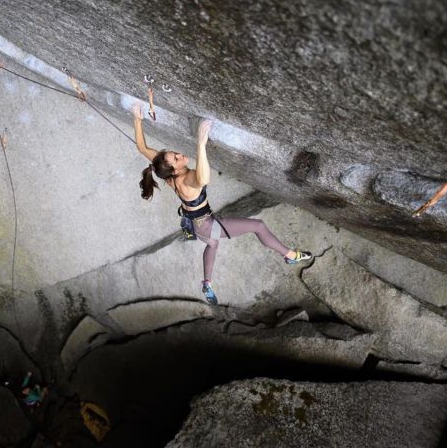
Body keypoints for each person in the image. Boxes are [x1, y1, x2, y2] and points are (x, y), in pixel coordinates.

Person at [133, 104, 313, 305]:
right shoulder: (187, 181)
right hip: (206, 225)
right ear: (173, 169)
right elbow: (203, 178)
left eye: (174, 153)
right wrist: (201, 143)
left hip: (196, 223)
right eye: (176, 158)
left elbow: (141, 147)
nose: (179, 154)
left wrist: (137, 119)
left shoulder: (166, 173)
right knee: (257, 226)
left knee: (213, 243)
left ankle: (207, 283)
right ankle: (290, 255)